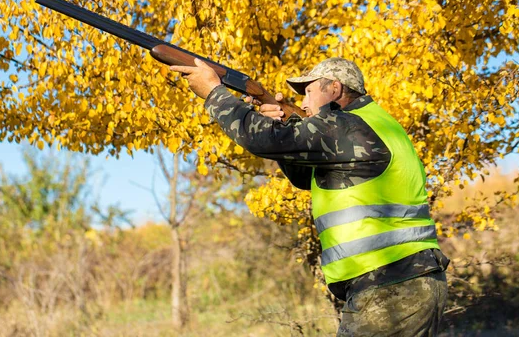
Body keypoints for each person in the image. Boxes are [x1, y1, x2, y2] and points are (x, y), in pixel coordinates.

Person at [171, 57, 450, 336]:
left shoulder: (347, 126)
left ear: (335, 89)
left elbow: (262, 140)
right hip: (405, 281)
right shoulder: (374, 123)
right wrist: (287, 124)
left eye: (308, 91)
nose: (303, 104)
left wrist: (214, 93)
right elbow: (305, 177)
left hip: (390, 288)